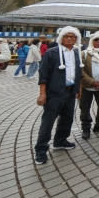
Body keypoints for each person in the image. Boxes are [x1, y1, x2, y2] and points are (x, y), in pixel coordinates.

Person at [34, 26, 84, 165]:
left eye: (72, 36)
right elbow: (43, 74)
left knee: (67, 118)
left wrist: (78, 88)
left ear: (76, 39)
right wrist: (42, 94)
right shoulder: (51, 53)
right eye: (66, 36)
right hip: (54, 92)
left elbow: (78, 73)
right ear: (61, 38)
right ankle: (41, 150)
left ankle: (60, 141)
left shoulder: (76, 53)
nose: (69, 38)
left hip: (70, 92)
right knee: (48, 122)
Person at [79, 31, 99, 140]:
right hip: (86, 86)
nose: (98, 42)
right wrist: (92, 82)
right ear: (92, 41)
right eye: (96, 40)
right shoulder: (84, 53)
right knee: (85, 107)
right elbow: (80, 70)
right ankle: (86, 127)